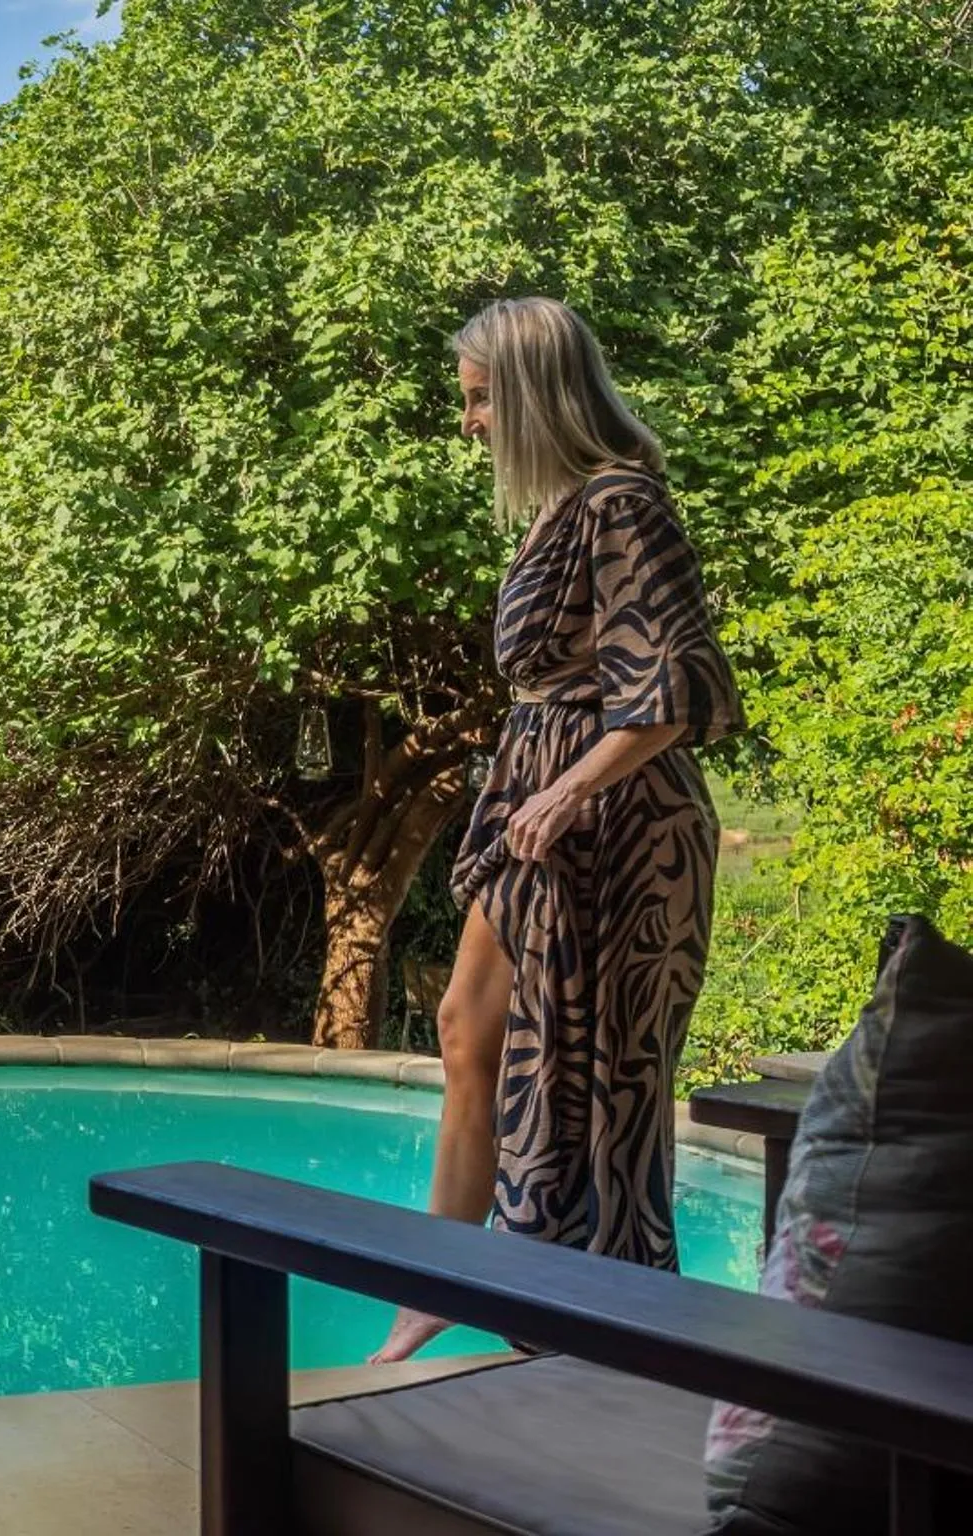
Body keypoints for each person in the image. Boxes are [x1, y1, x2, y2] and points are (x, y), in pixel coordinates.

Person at [373, 297, 745, 1364]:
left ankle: (589, 1318)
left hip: (623, 825)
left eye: (484, 399)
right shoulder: (560, 508)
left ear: (536, 395)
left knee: (603, 1085)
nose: (471, 423)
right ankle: (438, 1278)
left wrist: (573, 786)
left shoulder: (625, 501)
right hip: (540, 808)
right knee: (464, 1029)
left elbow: (676, 688)